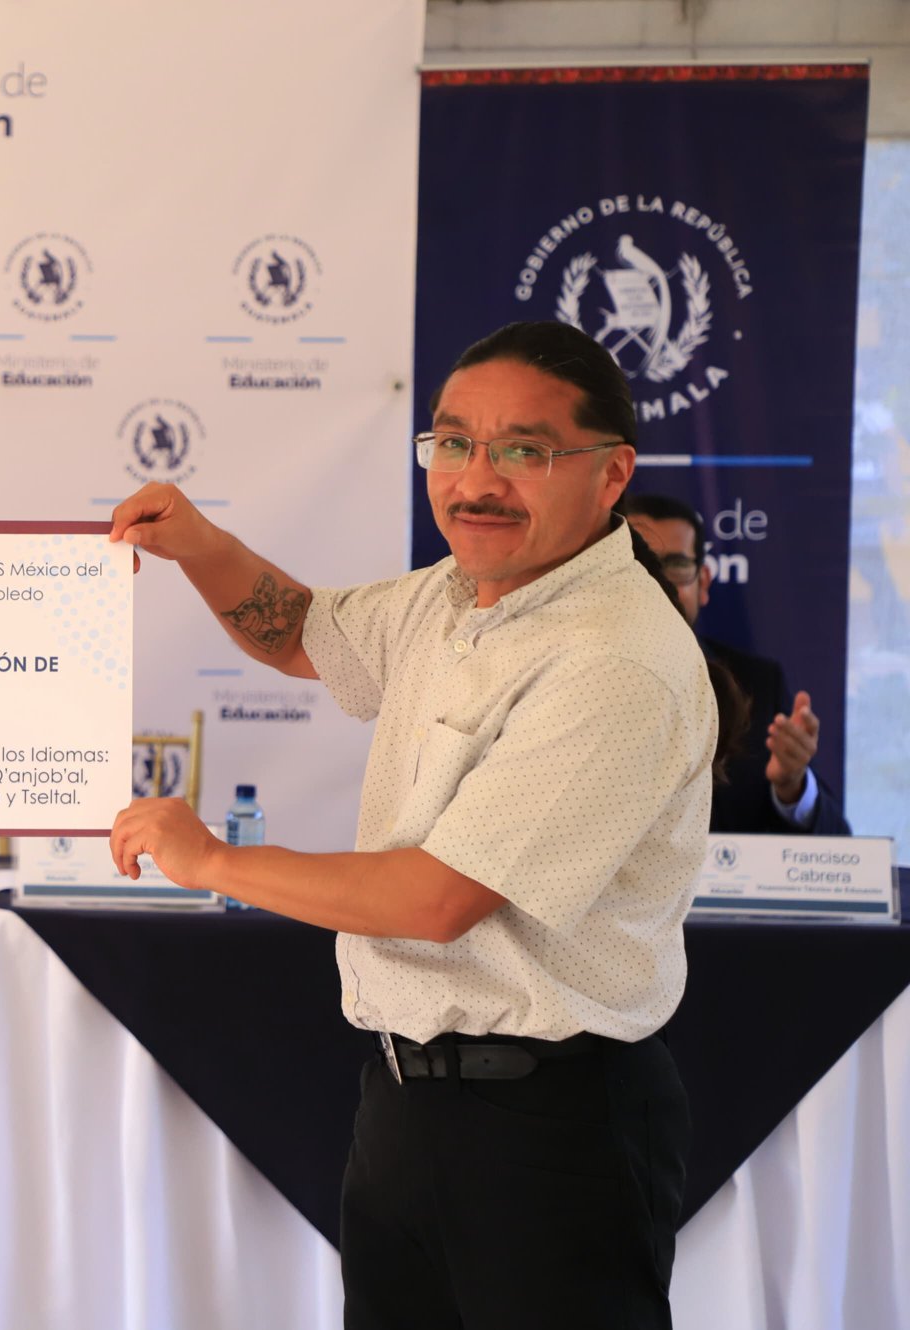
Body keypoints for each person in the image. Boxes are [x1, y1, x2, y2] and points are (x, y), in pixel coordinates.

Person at [108, 321, 714, 1329]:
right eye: (453, 443)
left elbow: (437, 900)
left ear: (611, 474)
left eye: (523, 450)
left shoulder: (615, 659)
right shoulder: (457, 592)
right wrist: (199, 546)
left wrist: (212, 859)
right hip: (406, 1100)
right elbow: (303, 634)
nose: (475, 481)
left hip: (549, 1128)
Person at [618, 491, 850, 835]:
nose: (659, 582)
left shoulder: (758, 685)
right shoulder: (572, 680)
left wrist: (791, 786)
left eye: (676, 565)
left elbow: (837, 842)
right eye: (642, 565)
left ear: (703, 583)